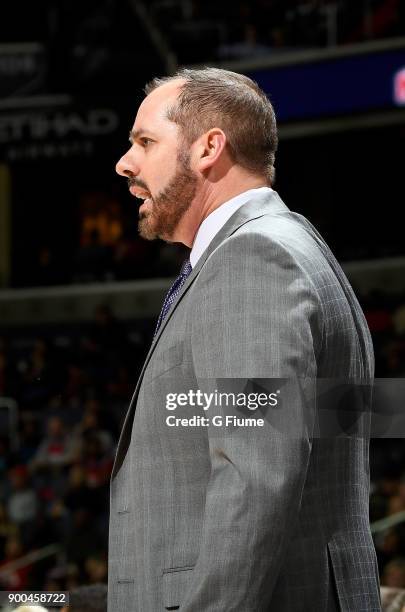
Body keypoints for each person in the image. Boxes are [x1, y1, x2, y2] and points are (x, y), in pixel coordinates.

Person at [109, 67, 381, 611]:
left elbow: (256, 478)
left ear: (210, 147)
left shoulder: (252, 260)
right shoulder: (291, 247)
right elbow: (323, 431)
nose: (125, 163)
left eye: (145, 142)